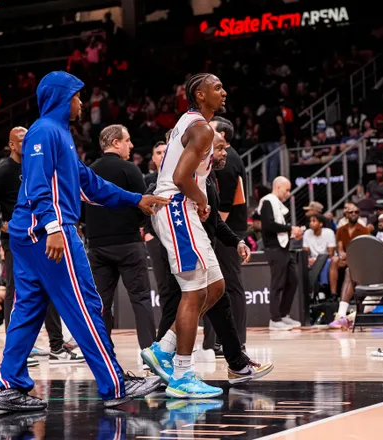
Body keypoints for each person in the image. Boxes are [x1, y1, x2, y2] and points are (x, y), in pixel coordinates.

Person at [0, 71, 166, 412]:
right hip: (48, 231)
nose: (81, 102)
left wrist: (135, 199)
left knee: (27, 310)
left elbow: (90, 185)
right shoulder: (43, 131)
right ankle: (114, 382)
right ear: (61, 97)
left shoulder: (60, 134)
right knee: (85, 304)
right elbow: (38, 184)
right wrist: (53, 227)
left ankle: (7, 386)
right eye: (77, 96)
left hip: (32, 233)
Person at [143, 131, 273, 386]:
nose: (225, 153)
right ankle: (170, 366)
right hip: (179, 250)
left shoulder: (205, 175)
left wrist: (235, 241)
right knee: (179, 304)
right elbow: (156, 210)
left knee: (217, 298)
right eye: (221, 148)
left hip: (201, 248)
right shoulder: (167, 180)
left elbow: (213, 221)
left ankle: (233, 362)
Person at [143, 73, 228, 399]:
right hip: (177, 208)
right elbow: (180, 177)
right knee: (192, 293)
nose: (223, 92)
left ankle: (163, 349)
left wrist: (198, 199)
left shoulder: (193, 123)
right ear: (200, 94)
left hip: (184, 210)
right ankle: (181, 375)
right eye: (217, 87)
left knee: (216, 286)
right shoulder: (201, 128)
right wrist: (202, 199)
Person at [0, 127, 78, 363]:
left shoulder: (36, 165)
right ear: (11, 145)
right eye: (21, 141)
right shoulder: (4, 170)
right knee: (15, 291)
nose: (26, 144)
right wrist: (0, 223)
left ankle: (57, 347)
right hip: (16, 240)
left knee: (50, 289)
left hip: (41, 237)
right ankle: (18, 348)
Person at [86, 124, 156, 349]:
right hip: (128, 243)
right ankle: (149, 355)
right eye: (128, 140)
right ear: (116, 142)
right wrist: (137, 225)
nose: (131, 145)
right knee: (141, 299)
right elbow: (144, 205)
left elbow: (80, 210)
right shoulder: (129, 168)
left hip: (98, 245)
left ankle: (103, 355)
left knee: (101, 303)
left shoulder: (88, 171)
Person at [329, 213, 383, 330]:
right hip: (382, 275)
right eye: (380, 221)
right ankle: (341, 315)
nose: (381, 223)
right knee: (350, 271)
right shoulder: (378, 239)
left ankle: (351, 318)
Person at [210, 115, 248, 350]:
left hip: (229, 229)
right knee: (222, 285)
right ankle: (221, 340)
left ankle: (237, 341)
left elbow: (224, 203)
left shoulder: (228, 159)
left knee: (231, 285)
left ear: (221, 135)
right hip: (229, 228)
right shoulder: (227, 157)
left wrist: (215, 229)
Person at [257, 176, 303, 331]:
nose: (288, 193)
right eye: (287, 189)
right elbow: (269, 225)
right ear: (278, 187)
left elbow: (280, 228)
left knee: (293, 280)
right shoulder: (267, 201)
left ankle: (284, 315)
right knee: (278, 283)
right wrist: (291, 229)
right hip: (274, 248)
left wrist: (291, 233)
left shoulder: (277, 204)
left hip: (284, 247)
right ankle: (275, 319)